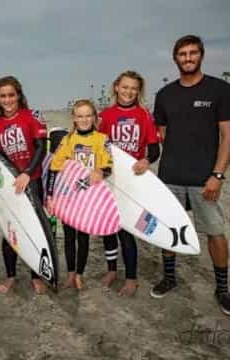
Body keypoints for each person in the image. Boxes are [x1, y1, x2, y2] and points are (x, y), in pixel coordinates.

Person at [151, 35, 230, 315]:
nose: (188, 58)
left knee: (215, 232)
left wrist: (217, 176)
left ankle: (222, 288)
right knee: (168, 229)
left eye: (192, 53)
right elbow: (161, 135)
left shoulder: (219, 90)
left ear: (201, 55)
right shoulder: (165, 95)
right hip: (170, 176)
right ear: (176, 58)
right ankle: (170, 278)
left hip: (204, 179)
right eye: (182, 54)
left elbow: (227, 136)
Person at [0, 75, 48, 295]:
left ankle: (36, 275)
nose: (8, 100)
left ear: (18, 95)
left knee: (33, 229)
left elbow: (41, 148)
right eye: (3, 96)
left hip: (32, 181)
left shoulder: (31, 117)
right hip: (8, 186)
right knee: (9, 231)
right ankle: (10, 276)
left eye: (11, 95)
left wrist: (28, 173)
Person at [98, 71, 160, 296]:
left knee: (127, 230)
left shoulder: (144, 115)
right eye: (125, 87)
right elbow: (96, 147)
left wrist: (146, 160)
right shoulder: (104, 115)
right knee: (108, 228)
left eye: (134, 88)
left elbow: (154, 149)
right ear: (116, 87)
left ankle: (132, 277)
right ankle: (112, 269)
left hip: (132, 180)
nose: (129, 92)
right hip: (108, 179)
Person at [46, 99, 113, 290]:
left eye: (88, 116)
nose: (84, 119)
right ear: (74, 118)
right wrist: (50, 195)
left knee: (83, 237)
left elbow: (108, 165)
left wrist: (100, 172)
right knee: (68, 236)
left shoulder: (102, 139)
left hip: (88, 198)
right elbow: (54, 168)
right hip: (68, 195)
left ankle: (79, 274)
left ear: (94, 117)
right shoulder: (67, 140)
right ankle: (70, 273)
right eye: (80, 116)